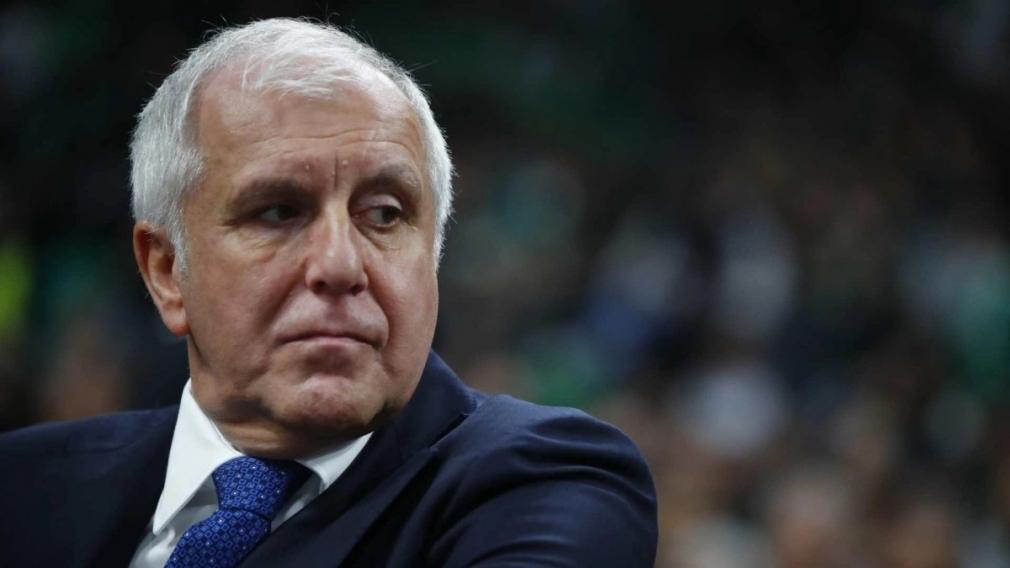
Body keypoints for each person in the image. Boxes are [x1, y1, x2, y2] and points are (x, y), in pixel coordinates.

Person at [0, 18, 656, 567]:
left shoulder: (545, 483)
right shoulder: (23, 485)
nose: (341, 264)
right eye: (277, 212)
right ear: (168, 272)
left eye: (385, 214)